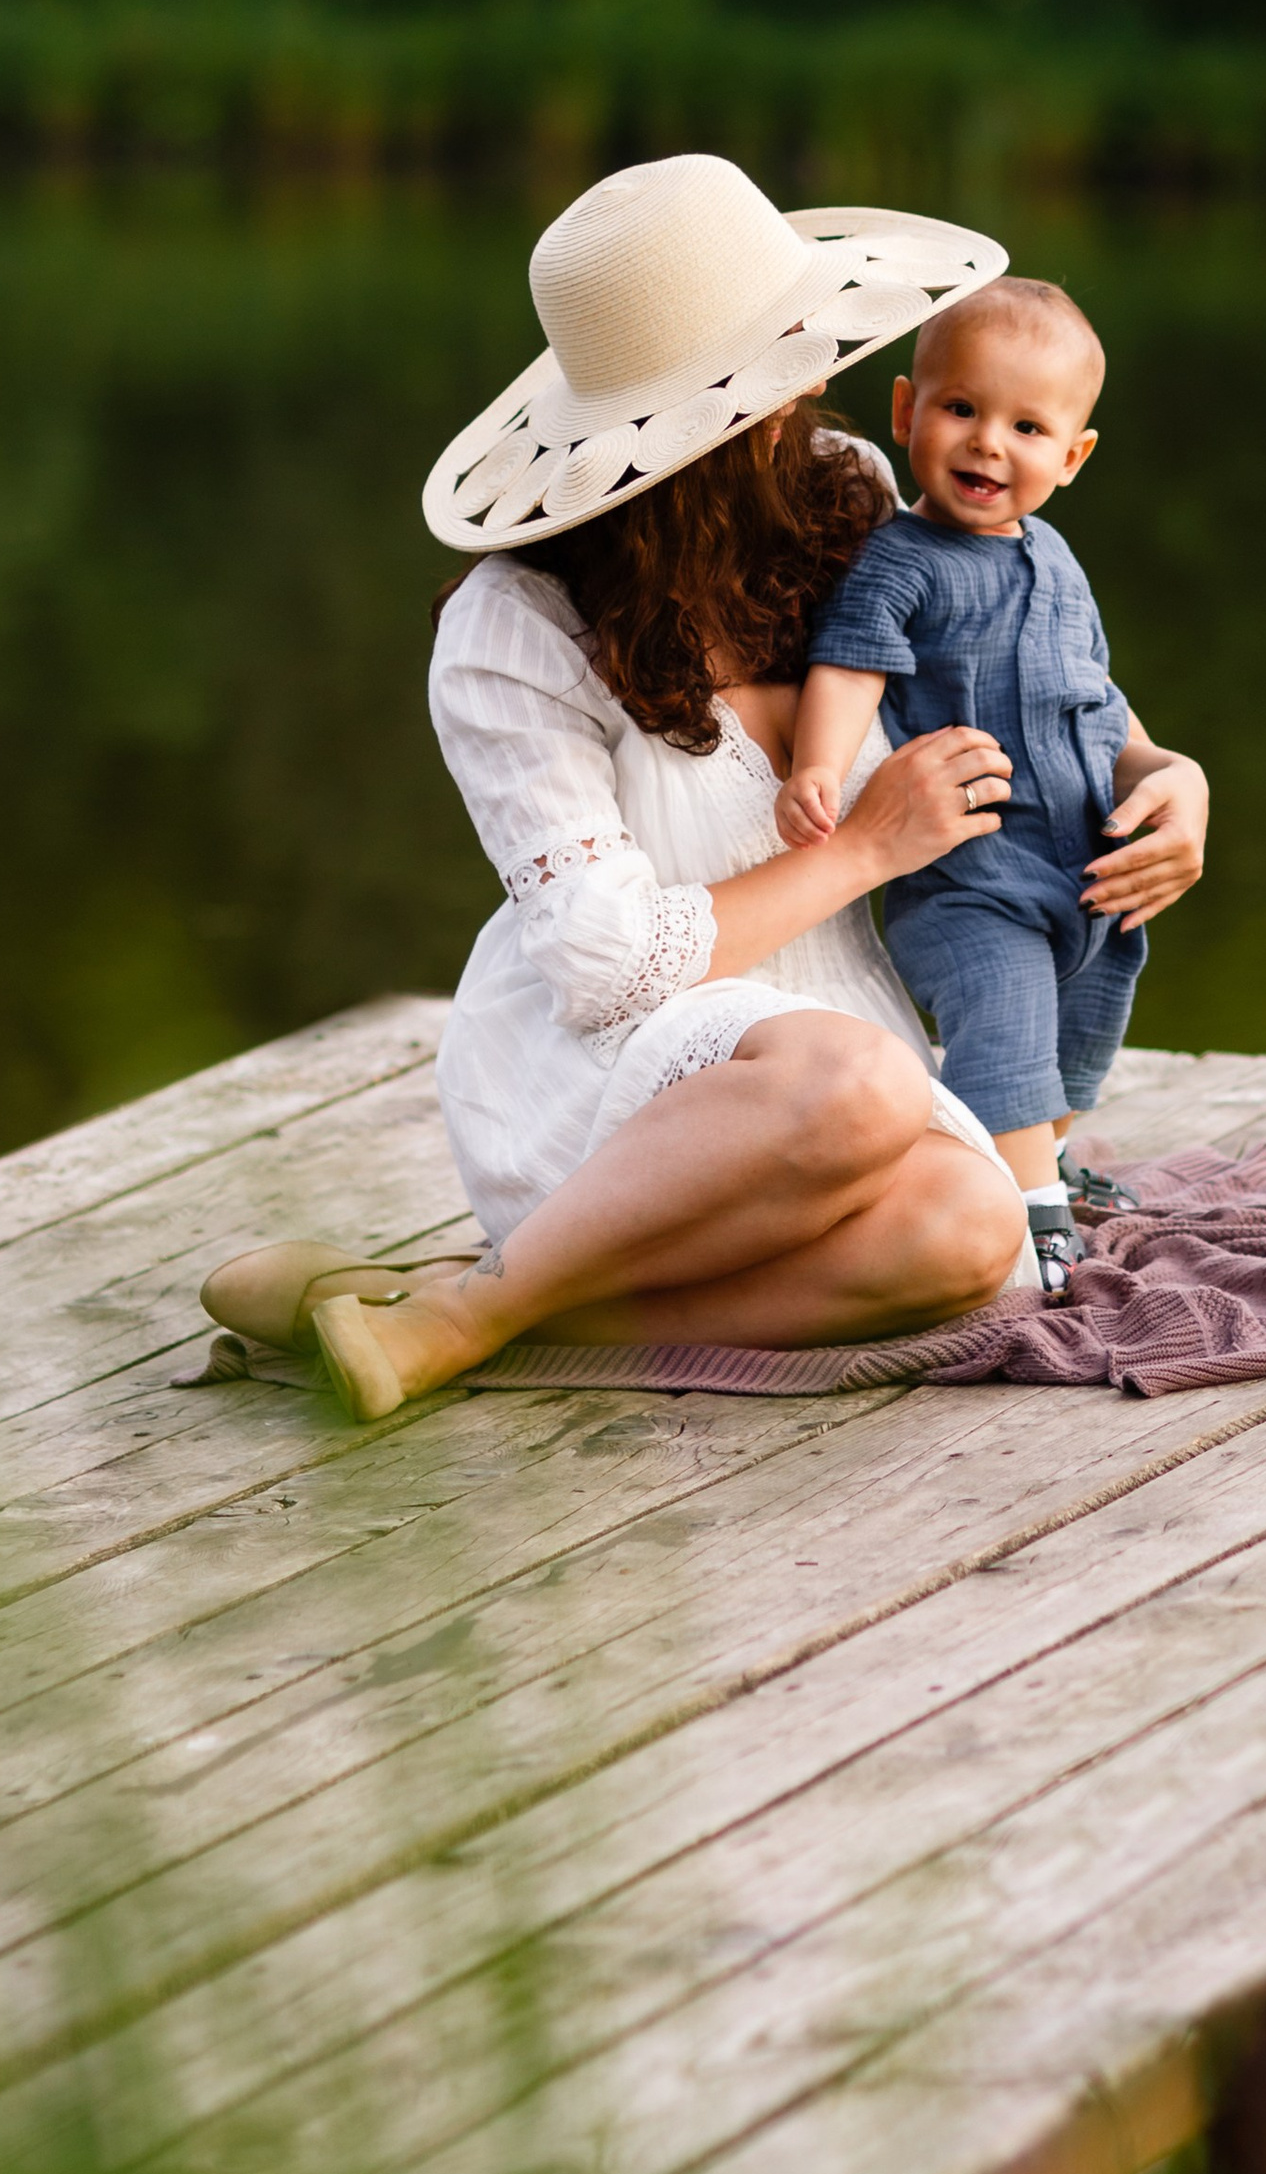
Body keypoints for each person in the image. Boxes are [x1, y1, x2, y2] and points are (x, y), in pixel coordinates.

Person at [197, 153, 1210, 1422]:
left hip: (842, 1052)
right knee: (859, 1087)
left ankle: (474, 1310)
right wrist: (862, 852)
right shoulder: (515, 632)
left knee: (969, 1233)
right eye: (785, 370)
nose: (815, 393)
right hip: (620, 1082)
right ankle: (487, 1300)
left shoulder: (842, 494)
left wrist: (1163, 776)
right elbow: (602, 964)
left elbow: (1013, 668)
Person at [774, 278, 1162, 1294]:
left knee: (1087, 1024)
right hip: (969, 873)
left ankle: (1036, 1161)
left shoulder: (1057, 558)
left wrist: (1158, 775)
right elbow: (852, 666)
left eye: (1027, 426)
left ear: (1071, 457)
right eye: (961, 410)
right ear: (907, 413)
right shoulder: (903, 560)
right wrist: (819, 765)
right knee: (1002, 1018)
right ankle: (1029, 1218)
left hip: (1080, 863)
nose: (989, 444)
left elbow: (1092, 693)